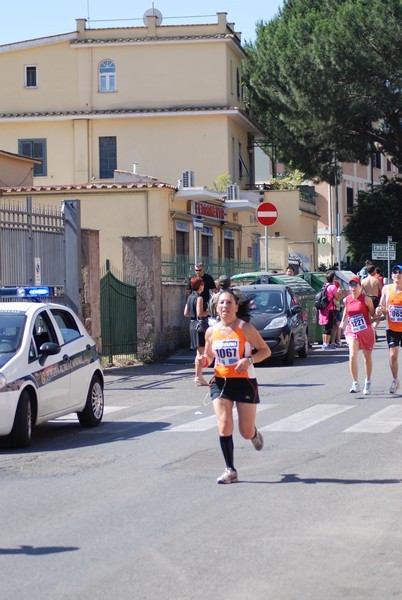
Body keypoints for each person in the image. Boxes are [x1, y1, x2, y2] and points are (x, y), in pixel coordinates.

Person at [198, 289, 271, 484]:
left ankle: (253, 433)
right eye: (221, 303)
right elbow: (209, 357)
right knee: (224, 424)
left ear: (236, 307)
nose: (224, 306)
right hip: (221, 382)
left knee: (244, 431)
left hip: (244, 381)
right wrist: (201, 361)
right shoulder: (211, 332)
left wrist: (248, 360)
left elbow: (265, 351)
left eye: (229, 302)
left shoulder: (245, 328)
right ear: (216, 307)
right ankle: (230, 469)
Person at [340, 276, 375, 395]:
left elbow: (373, 313)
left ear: (360, 287)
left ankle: (368, 381)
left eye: (355, 285)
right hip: (352, 330)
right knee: (352, 354)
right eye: (351, 285)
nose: (353, 287)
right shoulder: (347, 299)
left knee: (366, 358)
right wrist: (342, 322)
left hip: (366, 330)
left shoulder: (366, 299)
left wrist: (376, 319)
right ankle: (355, 383)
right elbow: (346, 310)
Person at [375, 264, 402, 393]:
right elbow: (381, 304)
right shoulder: (387, 289)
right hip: (392, 327)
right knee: (393, 355)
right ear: (391, 275)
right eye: (395, 272)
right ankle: (395, 379)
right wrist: (379, 309)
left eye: (400, 272)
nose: (397, 274)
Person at [184, 276, 210, 386]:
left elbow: (186, 313)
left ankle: (198, 376)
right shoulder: (199, 298)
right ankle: (198, 377)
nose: (203, 286)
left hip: (192, 325)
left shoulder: (190, 297)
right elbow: (200, 314)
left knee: (198, 353)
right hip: (199, 326)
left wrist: (193, 314)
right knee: (200, 353)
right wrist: (209, 312)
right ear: (200, 286)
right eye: (202, 284)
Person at [318, 271, 345, 349]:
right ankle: (327, 344)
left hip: (323, 308)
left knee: (325, 327)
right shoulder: (333, 287)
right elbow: (338, 298)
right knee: (329, 327)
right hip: (329, 309)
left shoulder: (325, 285)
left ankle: (324, 343)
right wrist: (343, 294)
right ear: (333, 278)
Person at [361, 265, 382, 339]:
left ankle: (370, 331)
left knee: (368, 317)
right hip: (375, 298)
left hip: (367, 299)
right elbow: (382, 291)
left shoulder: (363, 281)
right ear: (374, 271)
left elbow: (360, 293)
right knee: (377, 317)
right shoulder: (377, 280)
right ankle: (373, 329)